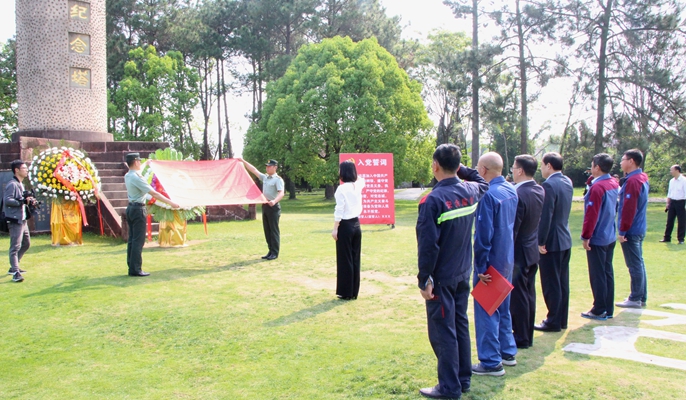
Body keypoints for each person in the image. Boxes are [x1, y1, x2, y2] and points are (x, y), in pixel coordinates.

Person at [416, 144, 488, 399]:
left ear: (435, 165)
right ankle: (462, 379)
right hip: (462, 272)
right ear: (458, 166)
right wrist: (460, 168)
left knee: (443, 331)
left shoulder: (432, 200)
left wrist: (424, 279)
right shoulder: (470, 190)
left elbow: (428, 246)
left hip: (442, 278)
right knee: (459, 325)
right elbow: (482, 181)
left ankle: (449, 386)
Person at [471, 152, 518, 377]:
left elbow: (483, 236)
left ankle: (490, 361)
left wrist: (480, 267)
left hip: (491, 261)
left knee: (487, 310)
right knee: (503, 307)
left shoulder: (488, 195)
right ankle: (507, 351)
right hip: (506, 257)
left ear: (483, 170)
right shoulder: (510, 189)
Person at [535, 152, 573, 333]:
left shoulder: (549, 185)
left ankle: (553, 321)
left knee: (551, 283)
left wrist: (541, 240)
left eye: (542, 165)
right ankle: (561, 319)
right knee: (562, 282)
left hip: (552, 240)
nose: (541, 169)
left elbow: (546, 215)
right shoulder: (567, 181)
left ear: (549, 166)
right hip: (564, 238)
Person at [509, 155, 545, 349]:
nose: (512, 171)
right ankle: (526, 333)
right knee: (528, 293)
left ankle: (521, 336)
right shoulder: (538, 189)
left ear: (520, 170)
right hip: (531, 249)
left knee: (520, 296)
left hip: (519, 252)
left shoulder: (519, 194)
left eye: (514, 168)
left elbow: (514, 228)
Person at [124, 153, 179, 277]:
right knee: (138, 241)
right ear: (135, 162)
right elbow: (154, 194)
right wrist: (171, 203)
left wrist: (146, 163)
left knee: (132, 240)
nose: (140, 163)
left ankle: (131, 266)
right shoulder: (137, 178)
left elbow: (138, 171)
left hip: (131, 208)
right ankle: (136, 269)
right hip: (138, 210)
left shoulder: (128, 175)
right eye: (139, 161)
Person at [580, 154, 619, 321]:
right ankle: (608, 308)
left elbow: (592, 214)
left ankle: (599, 309)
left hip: (598, 236)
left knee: (598, 274)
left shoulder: (598, 187)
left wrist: (586, 236)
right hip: (609, 234)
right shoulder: (613, 183)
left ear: (597, 167)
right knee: (607, 272)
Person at [616, 149, 650, 309]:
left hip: (632, 229)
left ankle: (635, 297)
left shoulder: (633, 181)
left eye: (623, 159)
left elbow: (629, 209)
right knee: (639, 263)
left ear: (631, 161)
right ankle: (641, 296)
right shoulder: (642, 177)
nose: (621, 162)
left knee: (634, 264)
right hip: (639, 227)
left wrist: (623, 230)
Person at [237, 158, 285, 260]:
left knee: (273, 230)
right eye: (267, 166)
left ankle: (275, 253)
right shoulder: (265, 178)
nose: (267, 168)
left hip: (273, 207)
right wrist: (243, 161)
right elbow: (254, 170)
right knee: (267, 230)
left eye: (269, 166)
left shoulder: (278, 180)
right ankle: (270, 251)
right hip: (265, 206)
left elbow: (281, 193)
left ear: (275, 167)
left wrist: (274, 201)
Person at [332, 161, 365, 300]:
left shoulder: (341, 189)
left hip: (345, 225)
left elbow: (339, 210)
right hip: (356, 224)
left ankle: (346, 291)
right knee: (355, 258)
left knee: (345, 259)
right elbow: (360, 178)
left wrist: (335, 228)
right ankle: (353, 291)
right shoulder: (358, 185)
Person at [3, 160, 36, 283]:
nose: (26, 170)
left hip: (22, 219)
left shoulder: (20, 184)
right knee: (15, 246)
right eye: (24, 168)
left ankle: (14, 266)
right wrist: (22, 201)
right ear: (16, 170)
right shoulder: (12, 184)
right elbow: (7, 200)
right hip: (15, 220)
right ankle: (15, 273)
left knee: (26, 243)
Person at [660, 165, 686, 244]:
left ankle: (681, 239)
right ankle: (667, 237)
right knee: (670, 220)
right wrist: (668, 203)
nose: (671, 172)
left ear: (677, 170)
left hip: (681, 202)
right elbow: (669, 193)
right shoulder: (671, 181)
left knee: (681, 221)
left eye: (672, 170)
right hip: (672, 202)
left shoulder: (684, 180)